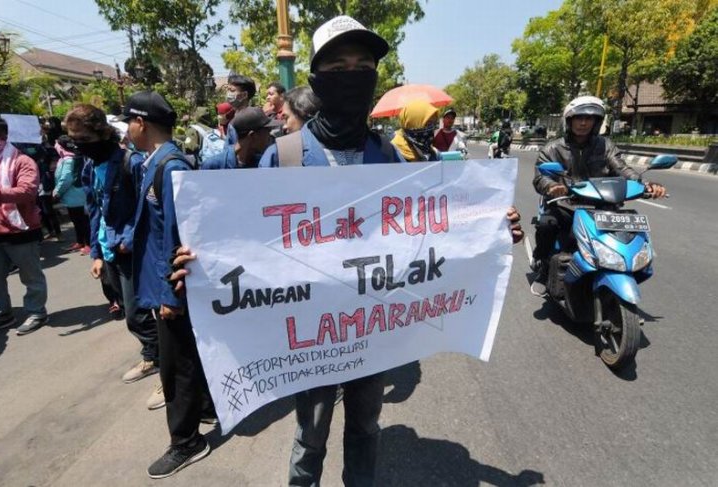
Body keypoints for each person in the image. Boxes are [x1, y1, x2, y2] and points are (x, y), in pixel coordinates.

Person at [172, 16, 521, 486]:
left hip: (371, 331)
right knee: (310, 434)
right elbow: (249, 240)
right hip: (311, 334)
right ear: (317, 78)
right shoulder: (286, 155)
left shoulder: (387, 156)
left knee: (364, 426)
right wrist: (202, 266)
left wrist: (488, 228)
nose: (353, 74)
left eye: (364, 65)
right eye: (339, 66)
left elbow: (423, 232)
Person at [120, 90, 215, 479]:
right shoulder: (153, 163)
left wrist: (170, 295)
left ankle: (187, 441)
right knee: (188, 355)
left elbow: (178, 240)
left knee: (176, 366)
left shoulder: (171, 167)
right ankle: (205, 409)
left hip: (170, 289)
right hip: (162, 286)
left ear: (141, 122)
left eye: (128, 121)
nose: (126, 130)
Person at [64, 105, 163, 407]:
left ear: (99, 133)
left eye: (81, 138)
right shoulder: (89, 165)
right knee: (127, 312)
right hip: (109, 251)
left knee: (139, 313)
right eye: (72, 139)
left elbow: (148, 209)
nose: (77, 145)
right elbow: (93, 210)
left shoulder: (130, 163)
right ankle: (152, 357)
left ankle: (166, 371)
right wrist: (95, 251)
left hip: (132, 251)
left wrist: (129, 237)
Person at [531, 96, 666, 291]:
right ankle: (542, 263)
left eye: (589, 118)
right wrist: (551, 186)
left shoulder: (605, 146)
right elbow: (540, 177)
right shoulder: (552, 148)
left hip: (603, 206)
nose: (583, 123)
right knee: (546, 225)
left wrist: (645, 184)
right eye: (579, 118)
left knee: (629, 236)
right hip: (566, 205)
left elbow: (623, 169)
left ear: (597, 122)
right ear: (569, 120)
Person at [0, 115, 49, 335]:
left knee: (30, 275)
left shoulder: (22, 161)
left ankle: (36, 311)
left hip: (20, 229)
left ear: (3, 137)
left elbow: (26, 192)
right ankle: (2, 313)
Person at [201, 107, 281, 170]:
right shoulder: (213, 166)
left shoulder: (263, 164)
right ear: (252, 136)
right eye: (267, 130)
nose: (269, 134)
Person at [52, 135, 90, 253]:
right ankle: (80, 242)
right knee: (76, 220)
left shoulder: (69, 160)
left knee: (81, 221)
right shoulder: (69, 158)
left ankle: (88, 244)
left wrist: (57, 191)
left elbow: (66, 178)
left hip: (75, 195)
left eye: (57, 145)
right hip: (74, 196)